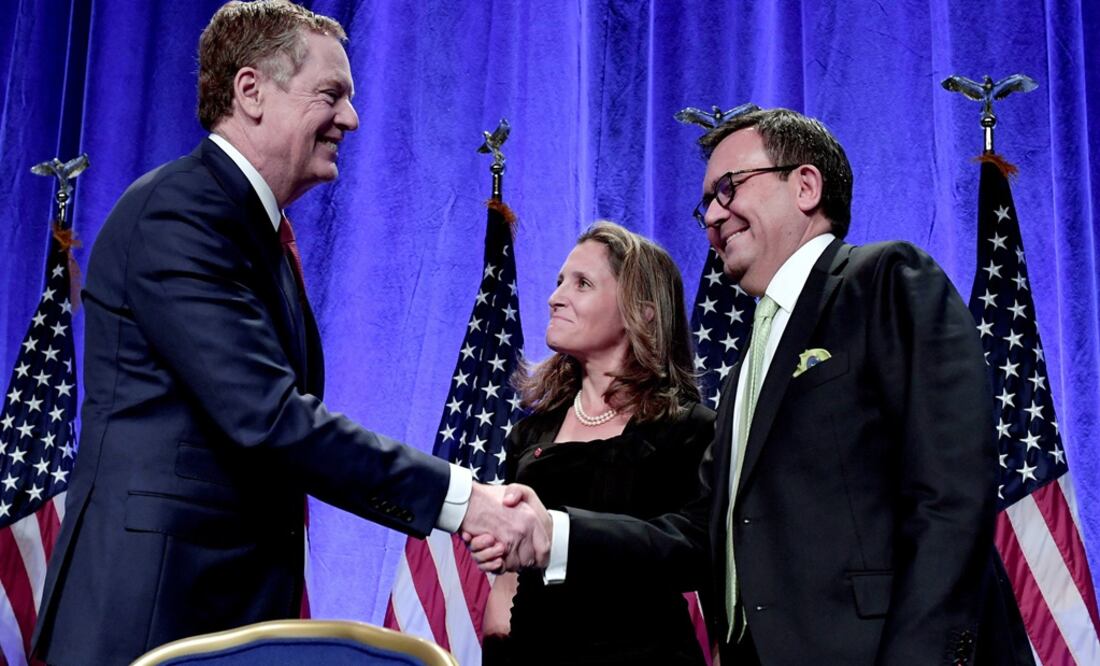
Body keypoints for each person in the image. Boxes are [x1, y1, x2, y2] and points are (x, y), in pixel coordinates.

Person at [30, 3, 545, 664]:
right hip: (153, 616)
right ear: (250, 92)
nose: (352, 118)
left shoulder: (254, 232)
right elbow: (269, 417)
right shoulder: (180, 214)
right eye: (331, 94)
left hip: (220, 611)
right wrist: (461, 501)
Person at [474, 108, 1033, 665]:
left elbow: (951, 490)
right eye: (707, 204)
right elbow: (697, 535)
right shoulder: (749, 365)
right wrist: (555, 534)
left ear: (806, 185)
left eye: (729, 188)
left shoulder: (883, 280)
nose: (714, 216)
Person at [480, 222, 714, 665]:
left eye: (582, 283)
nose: (555, 297)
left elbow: (705, 563)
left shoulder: (690, 431)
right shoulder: (530, 436)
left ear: (642, 312)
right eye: (559, 282)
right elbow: (508, 584)